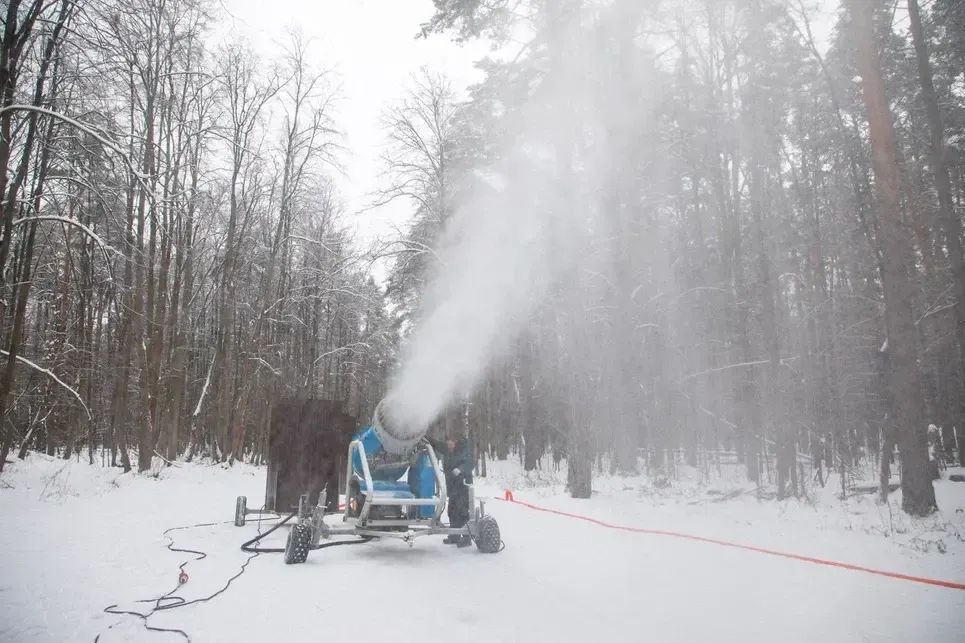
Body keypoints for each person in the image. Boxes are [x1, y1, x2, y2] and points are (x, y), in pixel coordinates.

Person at [428, 431, 474, 546]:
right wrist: (426, 438)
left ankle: (466, 537)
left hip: (463, 485)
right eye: (447, 443)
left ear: (456, 442)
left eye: (450, 443)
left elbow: (470, 462)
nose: (448, 446)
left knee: (462, 511)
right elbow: (437, 444)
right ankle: (454, 536)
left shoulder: (464, 449)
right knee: (452, 511)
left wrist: (461, 469)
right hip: (452, 487)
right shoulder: (448, 449)